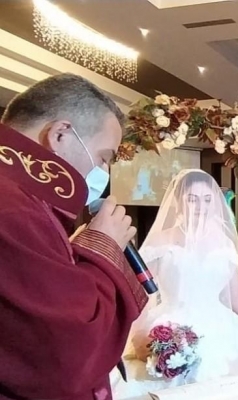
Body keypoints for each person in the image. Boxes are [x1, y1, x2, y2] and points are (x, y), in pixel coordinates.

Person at [0, 73, 148, 399]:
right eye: (103, 158)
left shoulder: (23, 196)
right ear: (60, 134)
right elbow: (63, 350)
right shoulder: (12, 206)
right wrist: (103, 246)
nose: (103, 173)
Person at [112, 169, 238, 398]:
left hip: (221, 329)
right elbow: (143, 292)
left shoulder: (225, 243)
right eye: (192, 199)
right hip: (172, 324)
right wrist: (135, 333)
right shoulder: (161, 240)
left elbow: (237, 295)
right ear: (179, 202)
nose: (200, 206)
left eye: (207, 199)